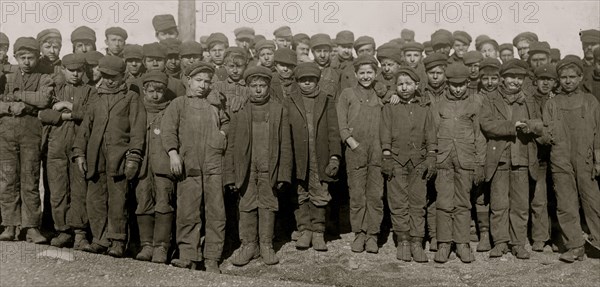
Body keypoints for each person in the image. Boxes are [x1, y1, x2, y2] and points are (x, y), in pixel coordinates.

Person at [72, 55, 146, 257]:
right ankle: (100, 239)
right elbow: (85, 129)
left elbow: (138, 130)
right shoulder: (96, 97)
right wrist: (79, 153)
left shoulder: (131, 98)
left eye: (113, 76)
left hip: (119, 157)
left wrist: (134, 156)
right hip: (95, 156)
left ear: (123, 76)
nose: (109, 80)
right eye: (105, 75)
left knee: (117, 200)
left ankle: (117, 240)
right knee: (95, 198)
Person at [160, 62, 228, 273]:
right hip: (188, 167)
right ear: (188, 80)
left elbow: (226, 123)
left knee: (216, 211)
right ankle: (188, 255)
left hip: (213, 166)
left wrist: (221, 135)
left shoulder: (214, 105)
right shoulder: (179, 104)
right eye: (198, 81)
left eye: (207, 81)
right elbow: (168, 130)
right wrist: (173, 154)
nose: (203, 85)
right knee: (188, 212)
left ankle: (212, 258)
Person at [225, 66, 292, 266]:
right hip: (246, 168)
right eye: (253, 86)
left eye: (262, 85)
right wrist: (230, 175)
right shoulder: (240, 110)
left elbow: (286, 145)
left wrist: (283, 174)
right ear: (247, 87)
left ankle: (266, 245)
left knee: (268, 204)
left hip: (268, 168)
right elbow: (231, 145)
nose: (258, 90)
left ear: (269, 86)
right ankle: (249, 245)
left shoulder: (279, 110)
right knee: (246, 205)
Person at [480, 59, 543, 260]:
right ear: (502, 78)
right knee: (498, 203)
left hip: (522, 157)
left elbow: (541, 124)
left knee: (520, 204)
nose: (515, 81)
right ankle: (499, 242)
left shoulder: (530, 99)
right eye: (511, 77)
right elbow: (486, 124)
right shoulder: (490, 99)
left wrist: (530, 126)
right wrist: (511, 126)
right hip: (499, 158)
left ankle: (518, 243)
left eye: (519, 77)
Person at [542, 56, 600, 262]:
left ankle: (599, 241)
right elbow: (547, 132)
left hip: (585, 157)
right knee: (565, 202)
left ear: (580, 77)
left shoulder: (590, 101)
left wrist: (598, 159)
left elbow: (598, 133)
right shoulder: (552, 103)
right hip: (560, 158)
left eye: (572, 77)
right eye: (563, 77)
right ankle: (575, 246)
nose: (568, 81)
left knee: (592, 200)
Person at [38, 53, 96, 248]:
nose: (76, 74)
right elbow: (42, 113)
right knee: (58, 190)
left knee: (79, 189)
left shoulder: (90, 91)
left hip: (80, 146)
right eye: (71, 71)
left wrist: (66, 106)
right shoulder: (53, 89)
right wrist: (66, 117)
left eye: (80, 71)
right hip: (56, 145)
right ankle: (63, 230)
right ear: (63, 70)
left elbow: (92, 113)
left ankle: (80, 234)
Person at [0, 37, 55, 244]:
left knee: (30, 179)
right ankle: (10, 225)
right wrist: (8, 107)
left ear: (37, 57)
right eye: (22, 57)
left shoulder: (44, 77)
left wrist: (18, 96)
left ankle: (31, 226)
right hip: (5, 133)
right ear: (15, 57)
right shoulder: (6, 75)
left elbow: (44, 99)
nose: (26, 61)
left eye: (30, 57)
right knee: (7, 180)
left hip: (31, 134)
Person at [380, 66, 436, 262]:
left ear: (417, 85)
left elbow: (430, 135)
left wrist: (431, 157)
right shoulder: (390, 107)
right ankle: (403, 239)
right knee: (398, 201)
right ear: (395, 87)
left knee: (418, 202)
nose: (404, 88)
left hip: (419, 162)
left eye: (408, 84)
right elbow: (385, 133)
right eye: (400, 84)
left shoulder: (424, 108)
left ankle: (416, 241)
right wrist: (386, 157)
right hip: (396, 161)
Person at [433, 63, 486, 263]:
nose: (457, 88)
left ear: (467, 83)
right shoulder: (438, 104)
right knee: (444, 201)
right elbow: (433, 132)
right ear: (447, 84)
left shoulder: (475, 103)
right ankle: (444, 243)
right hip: (444, 160)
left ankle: (463, 243)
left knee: (463, 202)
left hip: (466, 159)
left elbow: (480, 135)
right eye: (453, 85)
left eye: (461, 84)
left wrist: (480, 163)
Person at [288, 62, 341, 251]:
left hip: (320, 155)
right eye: (303, 80)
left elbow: (334, 131)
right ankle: (304, 230)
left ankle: (318, 231)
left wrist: (334, 156)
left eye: (311, 80)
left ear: (317, 80)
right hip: (299, 155)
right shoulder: (290, 100)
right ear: (297, 82)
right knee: (301, 193)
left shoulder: (326, 100)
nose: (307, 84)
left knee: (319, 192)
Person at [337, 55, 384, 253]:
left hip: (377, 150)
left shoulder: (380, 95)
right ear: (355, 74)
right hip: (355, 150)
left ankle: (372, 235)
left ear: (375, 74)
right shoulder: (347, 94)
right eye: (362, 72)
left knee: (375, 195)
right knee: (357, 195)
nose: (366, 76)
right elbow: (341, 123)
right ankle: (359, 234)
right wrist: (352, 143)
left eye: (369, 72)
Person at [133, 71, 175, 264]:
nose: (156, 95)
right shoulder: (137, 109)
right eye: (152, 91)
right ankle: (147, 245)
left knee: (164, 202)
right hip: (142, 166)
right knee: (143, 201)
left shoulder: (170, 110)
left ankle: (161, 246)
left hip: (163, 166)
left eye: (160, 91)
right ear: (144, 90)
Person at [421, 53, 449, 251]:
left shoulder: (452, 93)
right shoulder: (419, 93)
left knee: (442, 194)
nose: (436, 76)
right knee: (425, 194)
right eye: (432, 73)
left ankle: (440, 236)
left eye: (439, 72)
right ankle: (426, 234)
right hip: (424, 149)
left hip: (446, 149)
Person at [530, 63, 557, 252]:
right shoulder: (529, 101)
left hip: (556, 155)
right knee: (538, 197)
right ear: (535, 81)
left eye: (550, 80)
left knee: (558, 197)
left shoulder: (559, 100)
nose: (545, 83)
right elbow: (530, 123)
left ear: (555, 82)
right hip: (538, 155)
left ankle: (557, 236)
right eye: (542, 80)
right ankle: (539, 236)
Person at [310, 34, 341, 98]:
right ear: (312, 52)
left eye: (325, 51)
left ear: (330, 51)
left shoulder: (337, 72)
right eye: (318, 51)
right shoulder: (307, 70)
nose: (322, 55)